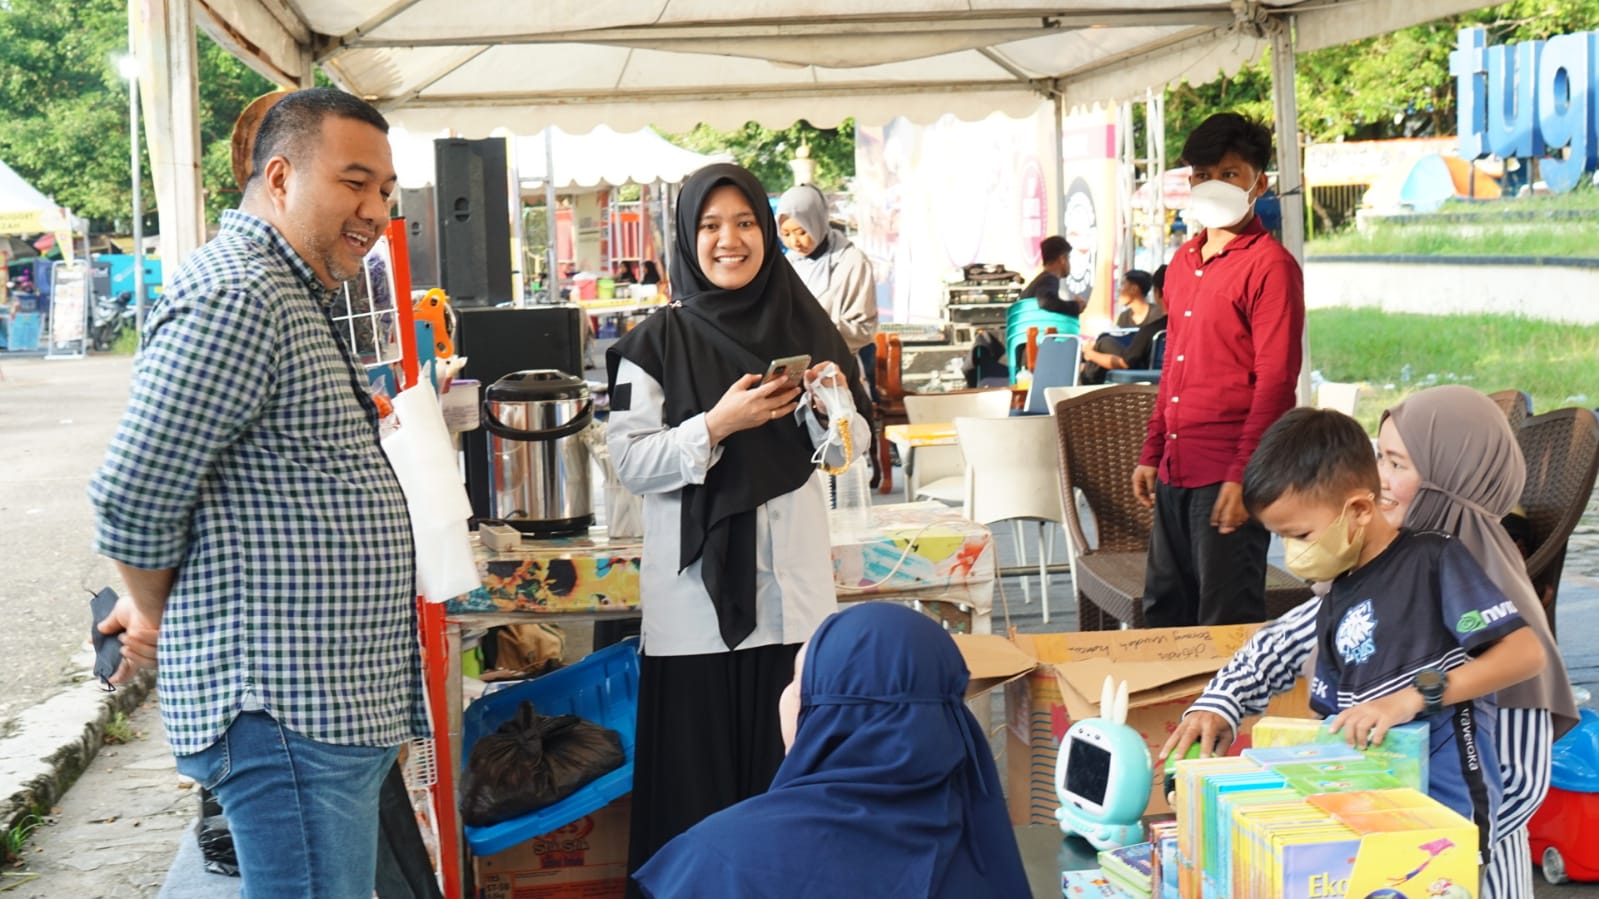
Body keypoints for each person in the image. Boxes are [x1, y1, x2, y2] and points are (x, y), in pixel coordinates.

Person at [87, 88, 426, 897]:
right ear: (280, 177)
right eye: (353, 182)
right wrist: (158, 614)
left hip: (324, 709)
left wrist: (146, 602)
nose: (374, 209)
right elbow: (134, 493)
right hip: (288, 714)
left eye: (383, 189)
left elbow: (215, 491)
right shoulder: (239, 294)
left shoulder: (287, 290)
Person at [1161, 386, 1579, 899]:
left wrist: (1400, 833)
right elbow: (1280, 644)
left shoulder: (1465, 580)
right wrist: (1219, 705)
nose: (1379, 480)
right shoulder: (1374, 570)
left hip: (1462, 870)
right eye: (1379, 457)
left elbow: (1516, 785)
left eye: (1398, 463)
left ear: (1453, 476)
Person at [605, 162, 874, 886]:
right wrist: (714, 426)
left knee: (790, 797)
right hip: (695, 614)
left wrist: (833, 408)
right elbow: (628, 462)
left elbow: (850, 455)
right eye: (711, 225)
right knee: (700, 809)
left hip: (794, 610)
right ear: (687, 240)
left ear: (767, 228)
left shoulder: (806, 323)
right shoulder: (652, 342)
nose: (731, 240)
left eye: (746, 222)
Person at [633, 602, 1029, 898]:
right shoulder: (988, 851)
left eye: (797, 679)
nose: (786, 694)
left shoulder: (719, 860)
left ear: (829, 716)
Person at [1132, 112, 1305, 627]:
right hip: (1174, 467)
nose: (1212, 186)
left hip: (1229, 469)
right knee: (1165, 610)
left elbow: (1276, 382)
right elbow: (1174, 367)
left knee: (1225, 619)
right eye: (1201, 175)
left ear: (1259, 182)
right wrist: (1152, 449)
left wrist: (1243, 475)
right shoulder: (1183, 262)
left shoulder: (1270, 265)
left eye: (1229, 174)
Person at [775, 184, 879, 396]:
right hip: (798, 374)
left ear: (817, 222)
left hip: (839, 369)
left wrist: (813, 328)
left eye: (802, 232)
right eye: (785, 234)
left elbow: (864, 329)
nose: (794, 242)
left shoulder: (851, 262)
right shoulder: (788, 264)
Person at [1019, 234, 1080, 319]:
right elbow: (1046, 302)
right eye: (1068, 258)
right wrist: (1075, 306)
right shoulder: (1049, 279)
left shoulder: (1039, 281)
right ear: (1062, 259)